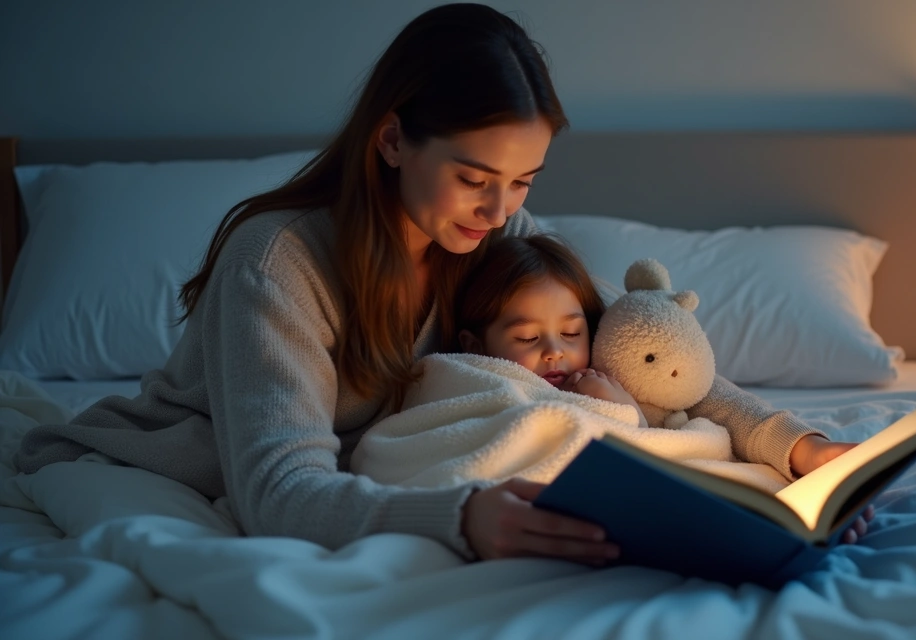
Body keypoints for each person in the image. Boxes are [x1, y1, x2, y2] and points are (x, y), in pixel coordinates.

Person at [14, 2, 868, 565]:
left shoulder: (502, 240)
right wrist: (463, 517)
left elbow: (645, 353)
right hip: (187, 467)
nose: (500, 210)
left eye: (524, 180)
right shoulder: (278, 264)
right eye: (473, 177)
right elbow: (277, 490)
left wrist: (792, 447)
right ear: (392, 141)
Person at [449, 234, 651, 428]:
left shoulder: (609, 390)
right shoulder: (465, 390)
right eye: (528, 338)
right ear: (475, 347)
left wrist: (629, 412)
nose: (554, 351)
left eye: (571, 333)